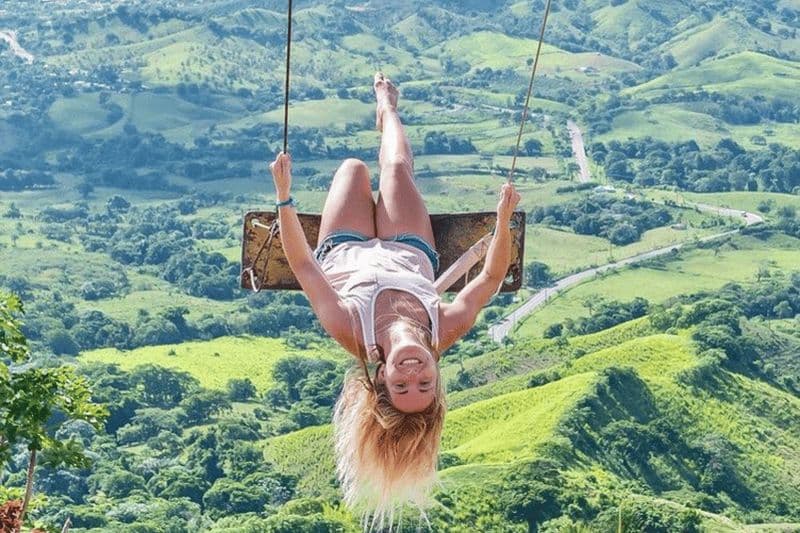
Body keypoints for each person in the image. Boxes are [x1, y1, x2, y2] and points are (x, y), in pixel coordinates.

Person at [268, 73, 521, 521]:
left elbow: (304, 266)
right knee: (396, 170)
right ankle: (387, 108)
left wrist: (285, 200)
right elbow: (491, 277)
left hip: (345, 248)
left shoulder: (351, 331)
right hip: (409, 248)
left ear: (380, 377)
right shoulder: (444, 329)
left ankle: (375, 137)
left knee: (352, 169)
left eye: (400, 386)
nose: (412, 374)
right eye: (423, 385)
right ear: (436, 378)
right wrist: (503, 219)